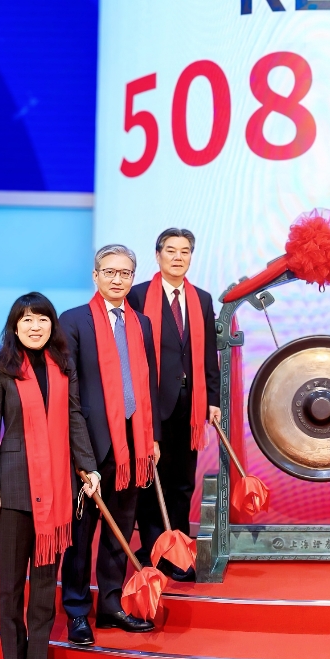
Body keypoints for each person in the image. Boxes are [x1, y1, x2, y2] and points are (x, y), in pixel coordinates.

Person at [0, 293, 100, 659]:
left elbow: (75, 418)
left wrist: (89, 466)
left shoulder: (63, 367)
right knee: (11, 588)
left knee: (45, 587)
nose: (35, 326)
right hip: (13, 490)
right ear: (15, 326)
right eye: (27, 320)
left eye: (43, 319)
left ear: (52, 324)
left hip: (57, 491)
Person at [58, 245, 161, 645]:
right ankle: (76, 610)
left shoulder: (141, 323)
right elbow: (68, 393)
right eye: (110, 272)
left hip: (133, 445)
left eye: (125, 273)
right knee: (81, 535)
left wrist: (152, 437)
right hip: (91, 446)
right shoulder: (73, 321)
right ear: (95, 275)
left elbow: (148, 385)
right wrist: (79, 453)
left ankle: (111, 604)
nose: (118, 279)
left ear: (133, 278)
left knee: (120, 531)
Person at [130, 228, 221, 582]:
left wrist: (212, 399)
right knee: (151, 481)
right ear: (158, 256)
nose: (178, 257)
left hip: (190, 406)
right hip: (151, 405)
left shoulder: (202, 299)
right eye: (171, 250)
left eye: (185, 251)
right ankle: (154, 550)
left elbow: (209, 356)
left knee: (183, 482)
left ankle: (178, 551)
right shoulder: (137, 296)